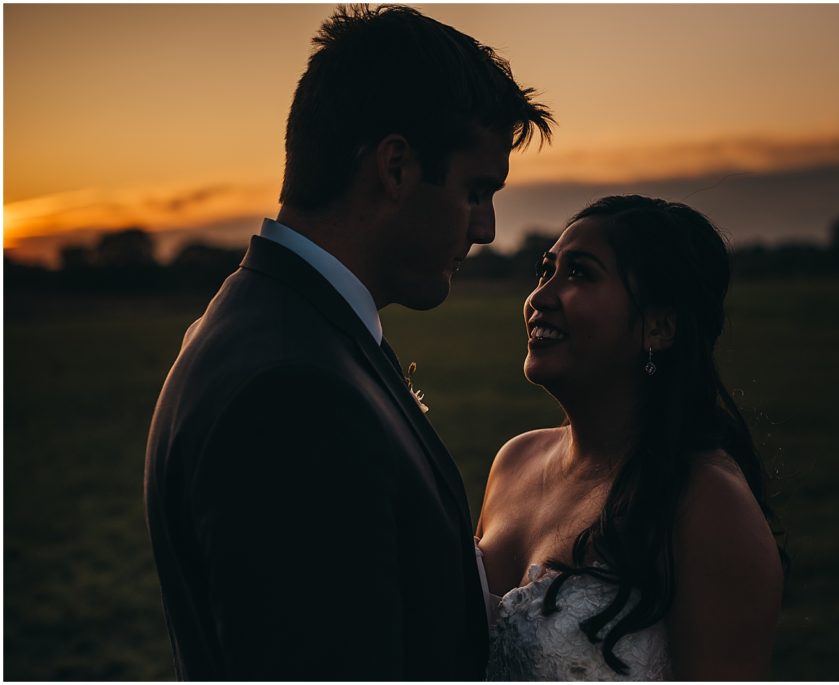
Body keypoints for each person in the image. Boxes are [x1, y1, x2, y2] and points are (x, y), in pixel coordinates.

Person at [144, 5, 552, 680]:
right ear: (395, 168)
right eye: (476, 190)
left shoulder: (260, 324)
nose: (485, 228)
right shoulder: (292, 391)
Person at [476, 195, 785, 680]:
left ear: (658, 327)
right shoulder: (514, 461)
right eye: (545, 271)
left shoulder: (705, 502)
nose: (539, 297)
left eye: (580, 274)